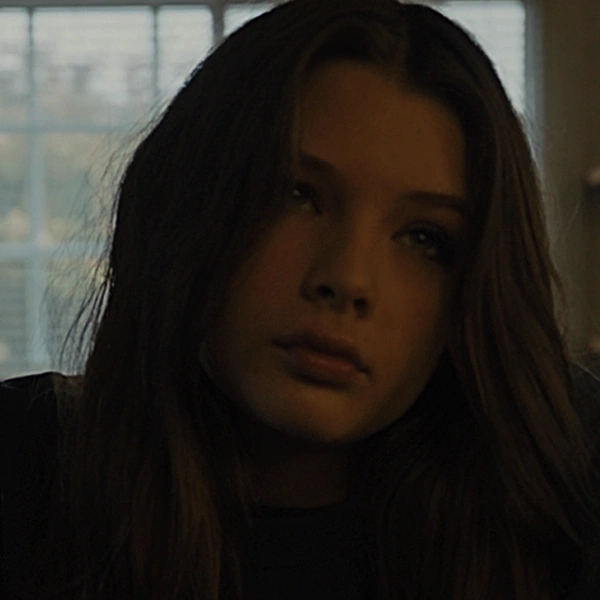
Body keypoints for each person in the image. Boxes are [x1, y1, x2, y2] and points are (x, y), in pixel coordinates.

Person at [2, 0, 600, 598]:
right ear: (187, 201)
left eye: (424, 239)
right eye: (297, 195)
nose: (347, 279)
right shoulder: (24, 467)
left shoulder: (563, 487)